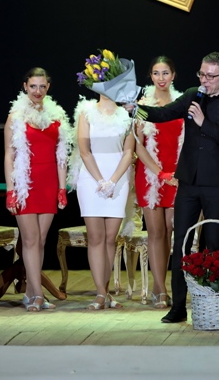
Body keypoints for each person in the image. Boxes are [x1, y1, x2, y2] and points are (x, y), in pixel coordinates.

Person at [133, 52, 219, 323]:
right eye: (202, 74)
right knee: (182, 242)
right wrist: (135, 109)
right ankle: (178, 307)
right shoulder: (192, 95)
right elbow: (163, 113)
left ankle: (212, 303)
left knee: (214, 243)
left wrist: (203, 123)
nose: (204, 80)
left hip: (216, 184)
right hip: (188, 183)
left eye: (211, 76)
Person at [4, 67, 71, 312]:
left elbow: (62, 154)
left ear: (48, 87)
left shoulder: (57, 115)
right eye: (33, 86)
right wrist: (11, 189)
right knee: (30, 239)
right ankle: (38, 294)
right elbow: (9, 155)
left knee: (41, 240)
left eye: (42, 86)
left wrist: (62, 187)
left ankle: (31, 294)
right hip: (25, 183)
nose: (38, 91)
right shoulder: (15, 116)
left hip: (48, 181)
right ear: (25, 86)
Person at [68, 68, 135, 310]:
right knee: (95, 237)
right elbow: (84, 151)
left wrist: (113, 181)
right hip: (91, 180)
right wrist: (99, 181)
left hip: (118, 179)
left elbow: (128, 152)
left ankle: (106, 292)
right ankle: (100, 293)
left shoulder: (127, 115)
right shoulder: (86, 112)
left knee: (110, 239)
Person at [133, 56, 183, 309]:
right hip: (150, 175)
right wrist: (159, 172)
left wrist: (177, 173)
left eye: (165, 73)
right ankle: (160, 289)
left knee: (170, 230)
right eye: (156, 73)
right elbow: (137, 145)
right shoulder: (143, 106)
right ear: (150, 76)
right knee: (156, 232)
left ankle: (163, 286)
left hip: (177, 175)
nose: (161, 78)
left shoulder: (183, 102)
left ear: (173, 75)